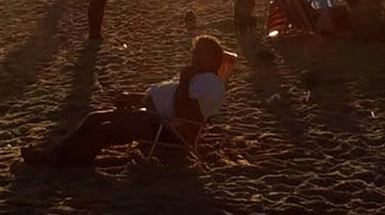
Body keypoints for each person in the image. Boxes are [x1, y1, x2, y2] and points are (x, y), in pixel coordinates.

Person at [20, 36, 234, 165]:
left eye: (201, 54)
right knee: (94, 117)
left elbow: (184, 113)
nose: (195, 57)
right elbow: (168, 96)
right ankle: (56, 151)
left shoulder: (211, 84)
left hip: (166, 128)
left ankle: (60, 160)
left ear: (215, 59)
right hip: (153, 115)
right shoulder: (196, 75)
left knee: (104, 131)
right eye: (194, 52)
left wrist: (185, 80)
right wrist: (135, 97)